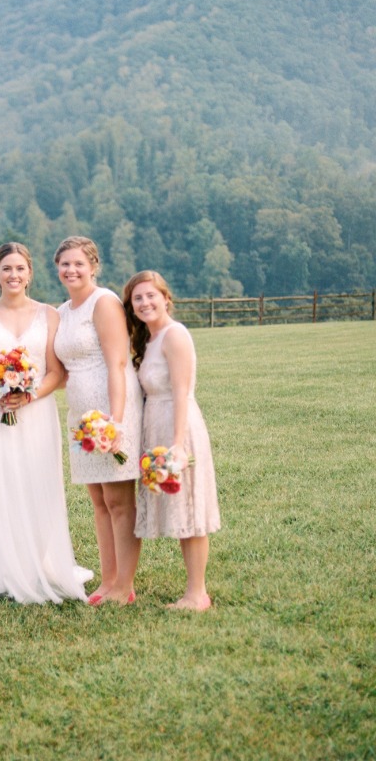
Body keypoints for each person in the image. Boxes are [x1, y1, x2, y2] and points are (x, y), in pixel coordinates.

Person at [0, 242, 91, 604]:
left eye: (20, 268)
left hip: (36, 415)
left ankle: (40, 563)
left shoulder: (50, 315)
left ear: (30, 273)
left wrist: (29, 394)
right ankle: (1, 567)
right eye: (6, 269)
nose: (13, 275)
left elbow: (56, 371)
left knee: (36, 484)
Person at [123, 270, 220, 611]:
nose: (145, 302)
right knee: (179, 508)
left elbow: (182, 392)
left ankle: (197, 594)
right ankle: (193, 591)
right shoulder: (149, 340)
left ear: (166, 298)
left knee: (190, 508)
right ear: (132, 306)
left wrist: (178, 445)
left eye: (151, 295)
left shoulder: (175, 335)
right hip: (156, 426)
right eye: (138, 298)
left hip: (179, 427)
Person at [53, 236, 142, 606]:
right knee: (99, 501)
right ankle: (107, 580)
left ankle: (125, 585)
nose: (71, 270)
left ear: (93, 266)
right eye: (65, 264)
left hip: (110, 409)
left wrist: (115, 421)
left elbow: (117, 363)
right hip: (80, 416)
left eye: (78, 264)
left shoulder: (103, 303)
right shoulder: (62, 311)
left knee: (120, 501)